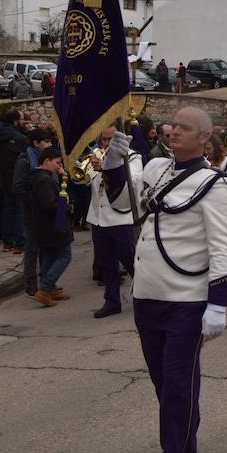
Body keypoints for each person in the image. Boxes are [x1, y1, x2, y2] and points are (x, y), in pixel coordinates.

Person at [102, 107, 227, 453]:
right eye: (173, 125)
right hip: (147, 294)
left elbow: (224, 249)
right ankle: (186, 436)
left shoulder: (215, 184)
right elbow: (121, 203)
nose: (174, 131)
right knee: (161, 379)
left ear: (204, 137)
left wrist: (218, 304)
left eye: (185, 128)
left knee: (178, 381)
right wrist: (114, 164)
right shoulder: (155, 169)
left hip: (186, 300)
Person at [87, 127, 143, 318]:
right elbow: (83, 180)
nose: (107, 144)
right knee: (107, 263)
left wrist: (106, 167)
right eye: (104, 139)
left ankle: (147, 296)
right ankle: (112, 301)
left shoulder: (132, 157)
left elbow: (134, 180)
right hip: (98, 217)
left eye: (111, 139)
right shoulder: (95, 154)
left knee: (130, 260)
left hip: (120, 217)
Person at [30, 147, 74, 307]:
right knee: (64, 256)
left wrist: (63, 176)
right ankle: (45, 288)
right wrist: (67, 208)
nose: (59, 167)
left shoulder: (45, 177)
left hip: (47, 224)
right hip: (54, 223)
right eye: (57, 163)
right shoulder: (44, 180)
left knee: (49, 255)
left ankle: (49, 287)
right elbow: (49, 204)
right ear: (46, 161)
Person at [12, 128, 53, 297]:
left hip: (51, 210)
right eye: (47, 142)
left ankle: (49, 282)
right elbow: (18, 187)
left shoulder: (48, 159)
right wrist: (35, 201)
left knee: (52, 246)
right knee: (33, 248)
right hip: (34, 212)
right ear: (36, 143)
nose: (50, 145)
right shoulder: (25, 160)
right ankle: (32, 285)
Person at [0, 108, 28, 253]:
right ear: (14, 121)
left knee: (7, 210)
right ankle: (20, 243)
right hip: (18, 178)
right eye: (21, 119)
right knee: (20, 211)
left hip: (5, 177)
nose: (23, 121)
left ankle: (7, 241)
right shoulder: (19, 138)